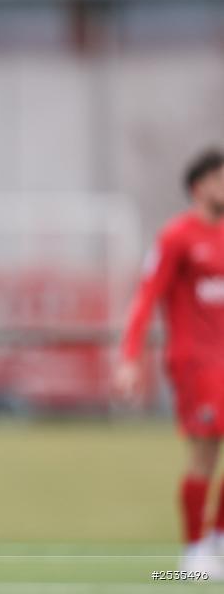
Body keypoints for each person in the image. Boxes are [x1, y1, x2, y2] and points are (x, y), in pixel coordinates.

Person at [116, 148, 224, 576]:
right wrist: (129, 356)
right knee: (204, 455)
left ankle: (218, 539)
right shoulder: (176, 236)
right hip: (195, 362)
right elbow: (146, 295)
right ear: (200, 187)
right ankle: (194, 553)